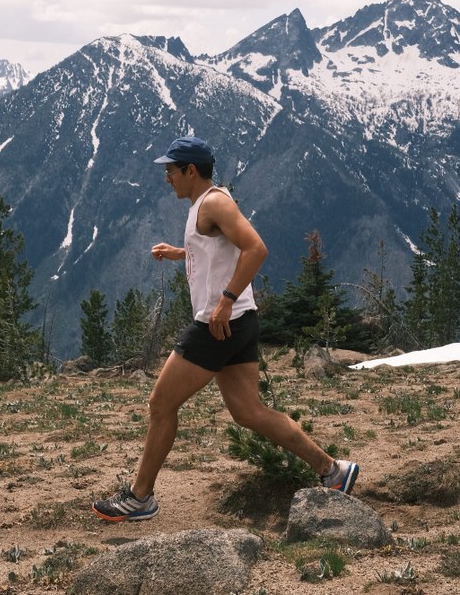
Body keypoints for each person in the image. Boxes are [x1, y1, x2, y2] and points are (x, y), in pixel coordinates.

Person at [92, 135, 359, 522]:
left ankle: (140, 497)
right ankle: (332, 470)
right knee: (250, 411)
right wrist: (179, 253)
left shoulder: (214, 202)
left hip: (217, 325)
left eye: (171, 170)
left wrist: (226, 300)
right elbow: (218, 248)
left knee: (161, 404)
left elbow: (256, 248)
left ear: (191, 170)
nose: (167, 177)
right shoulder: (205, 205)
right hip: (241, 323)